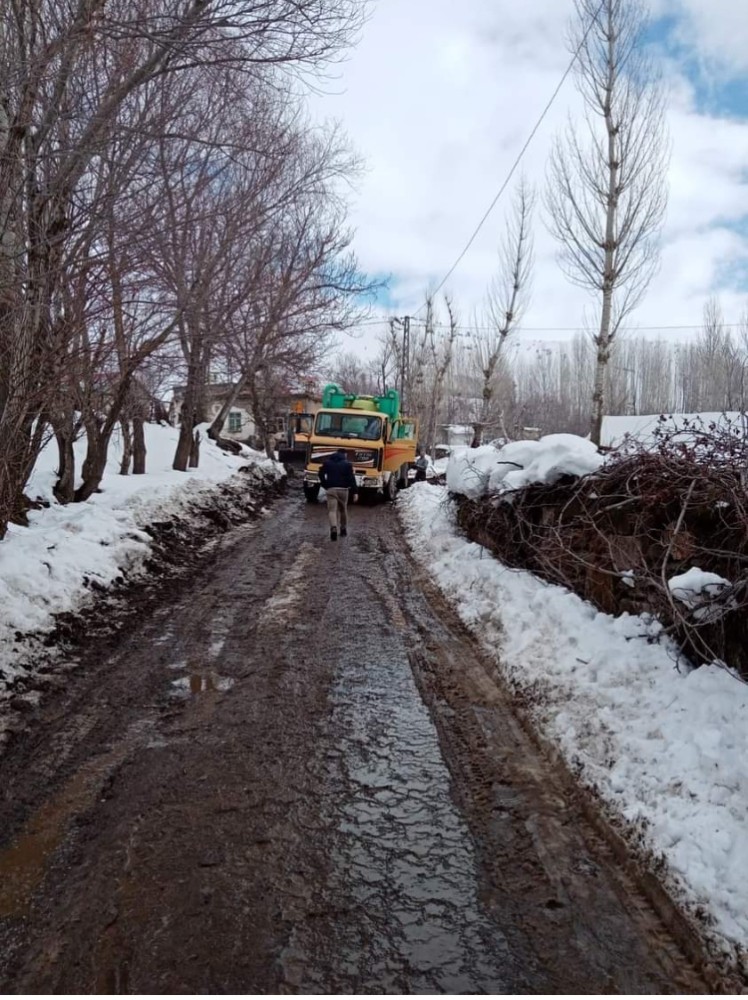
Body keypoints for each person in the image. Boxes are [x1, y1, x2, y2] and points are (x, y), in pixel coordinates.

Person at [319, 448, 358, 541]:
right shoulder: (348, 464)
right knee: (343, 510)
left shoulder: (327, 463)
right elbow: (351, 478)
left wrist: (325, 484)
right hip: (344, 490)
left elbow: (320, 473)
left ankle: (333, 528)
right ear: (344, 455)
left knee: (332, 510)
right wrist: (355, 491)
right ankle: (343, 529)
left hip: (331, 489)